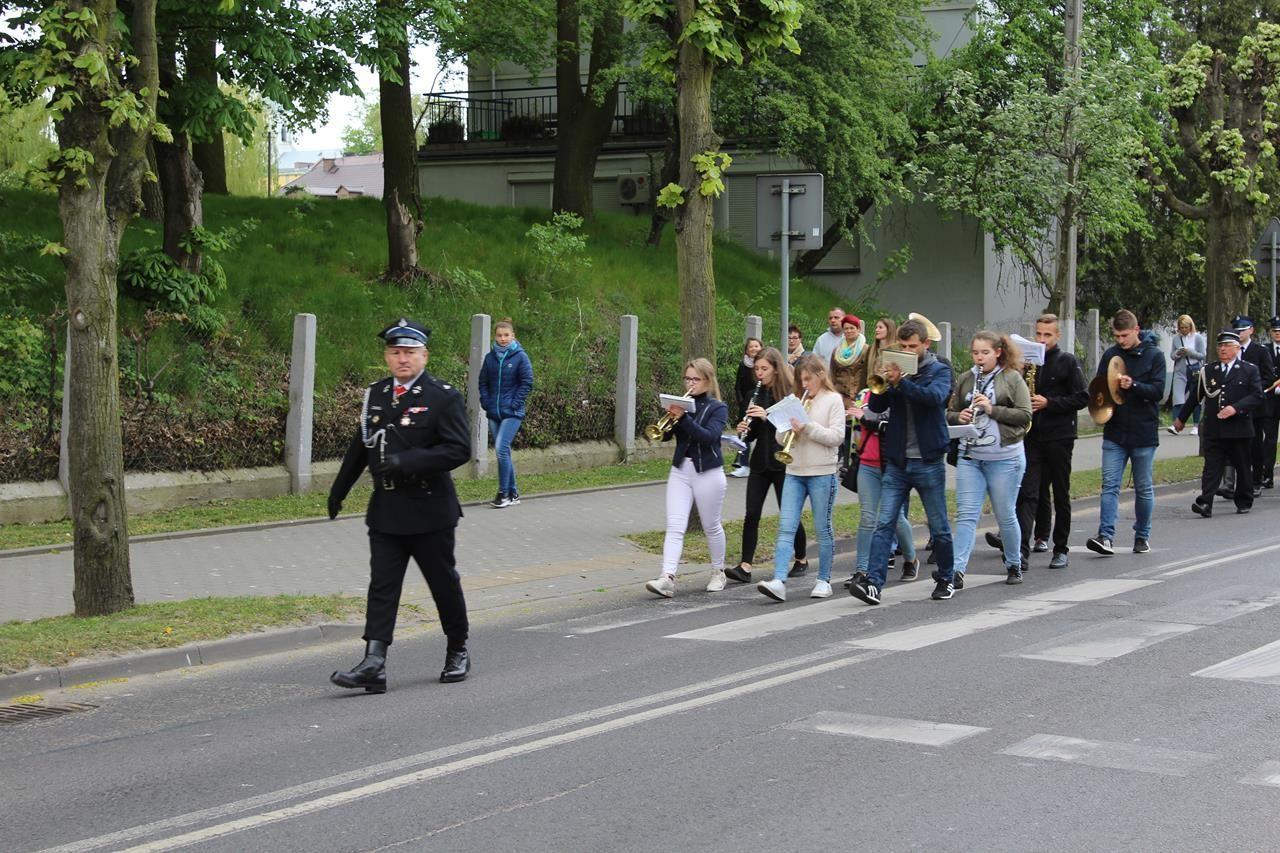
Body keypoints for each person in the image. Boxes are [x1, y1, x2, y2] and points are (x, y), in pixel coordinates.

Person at [327, 318, 472, 692]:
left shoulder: (443, 396)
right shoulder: (375, 394)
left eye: (409, 352)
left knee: (443, 584)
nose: (402, 359)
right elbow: (361, 446)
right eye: (395, 352)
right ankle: (374, 661)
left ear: (424, 355)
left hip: (429, 509)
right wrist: (339, 490)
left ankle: (458, 648)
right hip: (387, 508)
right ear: (386, 357)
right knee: (383, 586)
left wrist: (410, 462)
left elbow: (459, 449)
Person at [848, 319, 957, 605]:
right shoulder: (895, 370)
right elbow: (876, 408)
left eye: (912, 347)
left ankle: (947, 576)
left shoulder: (939, 369)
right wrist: (884, 385)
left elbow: (934, 399)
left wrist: (903, 382)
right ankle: (873, 583)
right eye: (903, 346)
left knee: (939, 525)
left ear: (925, 344)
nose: (908, 351)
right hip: (896, 461)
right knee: (884, 523)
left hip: (928, 460)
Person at [996, 315, 1088, 571]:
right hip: (1033, 436)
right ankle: (1021, 551)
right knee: (1028, 493)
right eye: (1038, 334)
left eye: (1047, 335)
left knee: (1060, 493)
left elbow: (1082, 397)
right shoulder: (1026, 362)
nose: (1041, 339)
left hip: (1060, 436)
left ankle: (1060, 548)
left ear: (1057, 336)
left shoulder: (1067, 361)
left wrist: (1050, 403)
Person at [756, 355, 846, 601]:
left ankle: (824, 579)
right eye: (801, 380)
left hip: (822, 472)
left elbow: (837, 437)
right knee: (786, 527)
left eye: (808, 379)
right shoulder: (795, 400)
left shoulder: (833, 400)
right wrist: (784, 430)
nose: (805, 384)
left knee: (822, 528)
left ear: (820, 375)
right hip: (794, 471)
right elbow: (780, 438)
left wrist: (807, 427)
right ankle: (778, 580)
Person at [947, 332, 1032, 584]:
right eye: (975, 353)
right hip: (971, 456)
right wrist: (957, 417)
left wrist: (991, 409)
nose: (979, 358)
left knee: (1005, 514)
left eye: (985, 353)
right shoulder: (966, 378)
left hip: (1005, 458)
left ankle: (1014, 563)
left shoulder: (1012, 378)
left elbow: (1025, 415)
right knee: (966, 516)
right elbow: (949, 412)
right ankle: (956, 570)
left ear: (998, 352)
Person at [644, 359, 730, 597]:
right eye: (688, 378)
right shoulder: (682, 404)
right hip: (682, 469)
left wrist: (683, 418)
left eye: (696, 379)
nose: (691, 384)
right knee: (675, 525)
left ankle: (718, 571)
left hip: (708, 472)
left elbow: (708, 437)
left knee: (711, 525)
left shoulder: (717, 408)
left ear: (708, 381)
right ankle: (667, 577)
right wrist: (669, 422)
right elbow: (665, 437)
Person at [1086, 309, 1166, 557]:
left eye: (1124, 335)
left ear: (1136, 330)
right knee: (1109, 485)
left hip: (1143, 432)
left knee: (1143, 488)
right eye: (1117, 336)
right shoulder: (1111, 355)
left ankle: (1142, 535)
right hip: (1115, 432)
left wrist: (1134, 385)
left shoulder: (1155, 356)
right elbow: (1099, 387)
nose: (1120, 340)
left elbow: (1158, 392)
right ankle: (1105, 536)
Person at [728, 347, 808, 583]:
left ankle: (801, 558)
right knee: (751, 513)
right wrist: (744, 429)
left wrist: (767, 417)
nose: (759, 374)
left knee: (788, 513)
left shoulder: (788, 396)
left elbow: (791, 428)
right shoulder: (754, 393)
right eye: (757, 369)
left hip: (782, 461)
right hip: (760, 461)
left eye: (764, 369)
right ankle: (745, 566)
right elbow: (753, 436)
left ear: (775, 368)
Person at [1174, 328, 1264, 516]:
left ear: (1237, 348)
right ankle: (1205, 502)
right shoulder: (1209, 370)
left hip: (1239, 428)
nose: (1223, 349)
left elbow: (1257, 396)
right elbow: (1195, 397)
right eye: (1220, 346)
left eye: (1227, 346)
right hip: (1215, 428)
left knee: (1242, 464)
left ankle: (1244, 500)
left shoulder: (1249, 370)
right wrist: (1181, 418)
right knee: (1212, 466)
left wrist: (1236, 408)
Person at [849, 388, 920, 584]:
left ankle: (911, 559)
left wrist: (864, 418)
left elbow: (892, 426)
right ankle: (862, 570)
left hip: (891, 464)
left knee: (894, 517)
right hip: (866, 464)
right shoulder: (863, 394)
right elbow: (855, 429)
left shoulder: (898, 394)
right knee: (867, 518)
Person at [477, 318, 534, 508]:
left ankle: (503, 494)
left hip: (512, 412)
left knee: (501, 449)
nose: (503, 339)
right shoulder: (490, 358)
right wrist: (486, 402)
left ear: (513, 336)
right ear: (495, 336)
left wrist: (514, 403)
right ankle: (513, 492)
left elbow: (527, 382)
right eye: (500, 335)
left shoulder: (520, 357)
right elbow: (483, 382)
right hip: (494, 412)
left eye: (506, 335)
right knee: (505, 452)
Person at [731, 337, 764, 477]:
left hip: (761, 402)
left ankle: (757, 464)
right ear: (746, 350)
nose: (754, 349)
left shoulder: (765, 365)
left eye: (757, 346)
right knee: (744, 432)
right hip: (747, 403)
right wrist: (742, 402)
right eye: (751, 347)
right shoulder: (743, 365)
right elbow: (738, 386)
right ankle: (742, 464)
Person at [1168, 315, 1206, 437]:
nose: (1184, 330)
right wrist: (1178, 353)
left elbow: (1202, 355)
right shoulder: (1176, 339)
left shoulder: (1198, 338)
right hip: (1180, 371)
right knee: (1178, 398)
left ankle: (1195, 425)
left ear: (1191, 327)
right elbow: (1172, 356)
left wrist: (1189, 352)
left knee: (1195, 398)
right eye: (1181, 327)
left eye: (1186, 327)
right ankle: (1175, 424)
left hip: (1195, 370)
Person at [1261, 316, 1280, 488]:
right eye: (1275, 331)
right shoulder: (1264, 350)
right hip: (1271, 400)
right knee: (1270, 440)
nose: (1277, 334)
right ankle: (1267, 475)